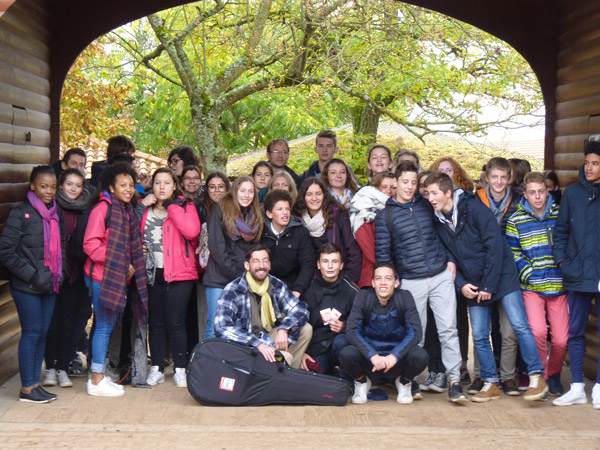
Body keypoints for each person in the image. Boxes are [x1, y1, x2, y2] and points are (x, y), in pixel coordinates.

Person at [424, 171, 548, 403]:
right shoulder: (437, 219)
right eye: (428, 193)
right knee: (479, 335)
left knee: (519, 326)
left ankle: (536, 377)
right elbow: (449, 256)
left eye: (434, 193)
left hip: (501, 276)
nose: (430, 198)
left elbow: (494, 245)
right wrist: (461, 285)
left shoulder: (473, 207)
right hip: (473, 281)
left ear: (448, 192)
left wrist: (489, 284)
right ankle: (490, 382)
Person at [375, 161, 467, 402]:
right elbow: (383, 254)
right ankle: (411, 380)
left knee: (448, 329)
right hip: (411, 281)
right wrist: (393, 283)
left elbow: (443, 234)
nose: (409, 187)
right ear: (395, 182)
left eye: (414, 183)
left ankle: (454, 380)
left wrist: (449, 260)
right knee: (417, 333)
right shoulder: (385, 215)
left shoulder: (426, 205)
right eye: (405, 182)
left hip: (440, 275)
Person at [0, 165, 65, 403]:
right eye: (43, 186)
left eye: (53, 187)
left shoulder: (55, 214)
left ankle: (34, 384)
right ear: (33, 187)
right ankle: (27, 388)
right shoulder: (21, 214)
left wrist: (62, 272)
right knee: (31, 333)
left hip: (50, 285)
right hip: (26, 286)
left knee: (42, 334)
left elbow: (62, 249)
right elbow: (5, 252)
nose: (49, 191)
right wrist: (33, 275)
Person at [83, 163, 148, 397]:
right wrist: (121, 262)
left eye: (131, 184)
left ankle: (98, 377)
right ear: (112, 186)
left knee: (106, 324)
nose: (128, 189)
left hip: (116, 277)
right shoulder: (103, 208)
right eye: (123, 185)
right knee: (104, 325)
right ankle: (96, 380)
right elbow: (90, 244)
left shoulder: (126, 210)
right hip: (102, 276)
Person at [136, 168, 201, 388]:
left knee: (176, 323)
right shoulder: (145, 210)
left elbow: (192, 232)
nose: (162, 187)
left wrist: (173, 206)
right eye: (157, 183)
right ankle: (156, 368)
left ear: (175, 186)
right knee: (155, 323)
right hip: (152, 273)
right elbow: (131, 234)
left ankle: (180, 369)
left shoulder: (185, 207)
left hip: (180, 273)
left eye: (167, 183)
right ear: (152, 186)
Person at [505, 171, 568, 396]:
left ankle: (554, 374)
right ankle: (539, 378)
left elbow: (569, 243)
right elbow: (515, 253)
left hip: (558, 287)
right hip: (532, 287)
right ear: (525, 193)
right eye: (532, 193)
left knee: (561, 339)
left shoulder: (560, 214)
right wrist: (529, 274)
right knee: (538, 332)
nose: (538, 197)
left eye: (541, 191)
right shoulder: (516, 220)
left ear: (548, 190)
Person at [552, 139, 600, 408]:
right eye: (587, 162)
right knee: (575, 331)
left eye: (595, 163)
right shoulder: (572, 193)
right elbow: (560, 232)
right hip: (577, 273)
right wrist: (562, 261)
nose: (589, 167)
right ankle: (578, 387)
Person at [340, 262, 430, 405]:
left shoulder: (405, 297)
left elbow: (416, 331)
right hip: (370, 362)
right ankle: (362, 381)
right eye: (378, 278)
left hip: (396, 362)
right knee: (346, 353)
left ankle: (404, 382)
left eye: (388, 278)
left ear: (396, 283)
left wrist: (395, 355)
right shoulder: (363, 296)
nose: (383, 282)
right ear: (373, 282)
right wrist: (372, 355)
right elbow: (351, 330)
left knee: (420, 355)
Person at [214, 244, 312, 369]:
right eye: (256, 261)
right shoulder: (233, 290)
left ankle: (286, 375)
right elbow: (221, 328)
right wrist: (257, 344)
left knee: (306, 329)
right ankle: (282, 373)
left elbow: (300, 309)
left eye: (265, 261)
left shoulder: (275, 284)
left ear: (270, 265)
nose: (261, 266)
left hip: (266, 336)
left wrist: (284, 329)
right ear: (247, 265)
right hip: (245, 344)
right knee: (285, 357)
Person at [42, 169, 93, 389]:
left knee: (73, 323)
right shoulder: (52, 209)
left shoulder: (86, 210)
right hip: (56, 273)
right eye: (69, 184)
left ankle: (63, 366)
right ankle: (51, 367)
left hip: (79, 274)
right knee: (54, 323)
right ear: (61, 186)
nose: (73, 189)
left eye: (78, 185)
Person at [475, 157, 522, 396]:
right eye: (495, 177)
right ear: (487, 178)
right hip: (481, 270)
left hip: (508, 271)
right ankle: (480, 375)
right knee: (481, 330)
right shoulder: (475, 200)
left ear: (510, 178)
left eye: (504, 177)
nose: (499, 182)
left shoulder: (518, 200)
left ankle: (508, 376)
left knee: (509, 330)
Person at [203, 176, 263, 339]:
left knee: (237, 327)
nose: (246, 195)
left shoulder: (255, 215)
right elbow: (217, 247)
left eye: (251, 191)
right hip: (219, 278)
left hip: (243, 279)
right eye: (243, 190)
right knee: (215, 326)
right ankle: (206, 363)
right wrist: (237, 275)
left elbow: (255, 249)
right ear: (235, 191)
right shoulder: (220, 210)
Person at [300, 243, 358, 375]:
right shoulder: (308, 289)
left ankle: (348, 378)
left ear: (341, 265)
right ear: (319, 265)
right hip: (316, 347)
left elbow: (362, 323)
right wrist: (301, 352)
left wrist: (344, 326)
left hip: (340, 344)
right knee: (313, 376)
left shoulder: (352, 291)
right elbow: (298, 325)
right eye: (325, 261)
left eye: (335, 261)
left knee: (343, 343)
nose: (330, 266)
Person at [294, 178, 362, 284]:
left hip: (338, 278)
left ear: (324, 195)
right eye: (309, 194)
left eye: (318, 193)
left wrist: (348, 281)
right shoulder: (297, 219)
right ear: (303, 197)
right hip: (309, 280)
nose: (314, 198)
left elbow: (353, 251)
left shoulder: (337, 215)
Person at [260, 190, 315, 298]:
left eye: (287, 209)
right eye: (280, 209)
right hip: (265, 288)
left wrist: (297, 290)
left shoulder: (300, 232)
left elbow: (308, 263)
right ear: (269, 214)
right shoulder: (261, 232)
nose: (285, 213)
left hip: (293, 288)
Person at [349, 172, 396, 288]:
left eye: (393, 187)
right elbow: (368, 247)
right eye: (384, 187)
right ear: (375, 188)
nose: (388, 191)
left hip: (391, 274)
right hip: (371, 274)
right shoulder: (364, 210)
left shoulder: (397, 208)